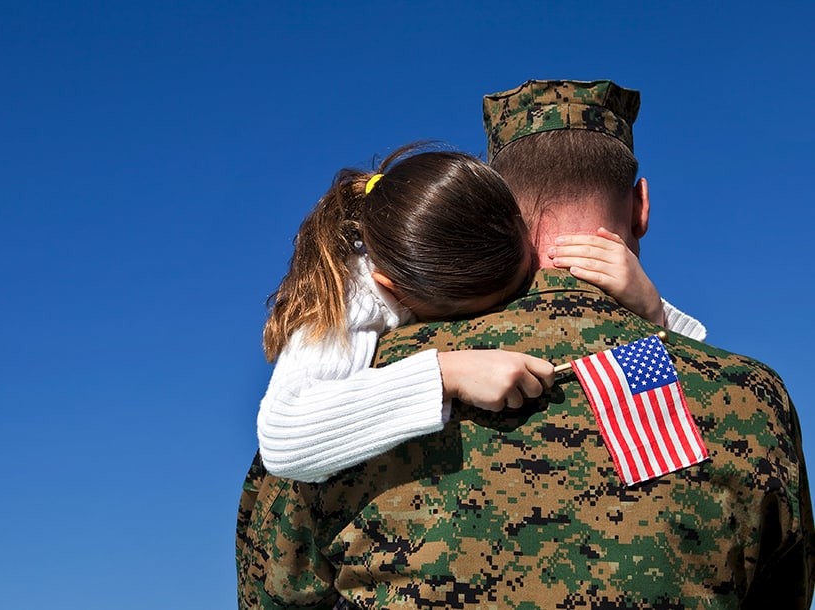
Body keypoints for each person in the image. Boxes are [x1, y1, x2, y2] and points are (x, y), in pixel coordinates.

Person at [237, 80, 815, 609]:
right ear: (640, 206)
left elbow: (276, 586)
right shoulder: (743, 397)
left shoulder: (353, 395)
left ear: (497, 207)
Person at [258, 144, 705, 484]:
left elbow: (702, 363)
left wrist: (650, 308)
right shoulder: (356, 293)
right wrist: (447, 373)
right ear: (395, 290)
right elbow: (283, 440)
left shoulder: (464, 231)